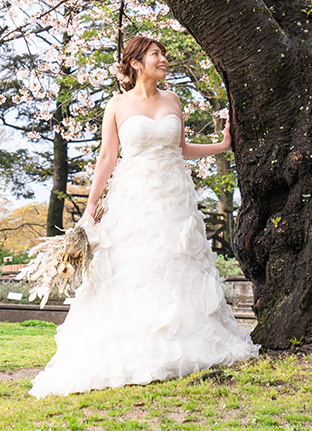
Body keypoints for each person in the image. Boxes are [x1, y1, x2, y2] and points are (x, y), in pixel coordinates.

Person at [29, 35, 258, 398]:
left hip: (175, 197)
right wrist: (91, 205)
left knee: (178, 263)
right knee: (133, 267)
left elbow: (181, 148)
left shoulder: (173, 99)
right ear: (136, 63)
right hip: (134, 198)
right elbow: (107, 158)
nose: (163, 60)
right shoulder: (117, 106)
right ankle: (136, 347)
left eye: (164, 55)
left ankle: (187, 340)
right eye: (156, 55)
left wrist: (222, 145)